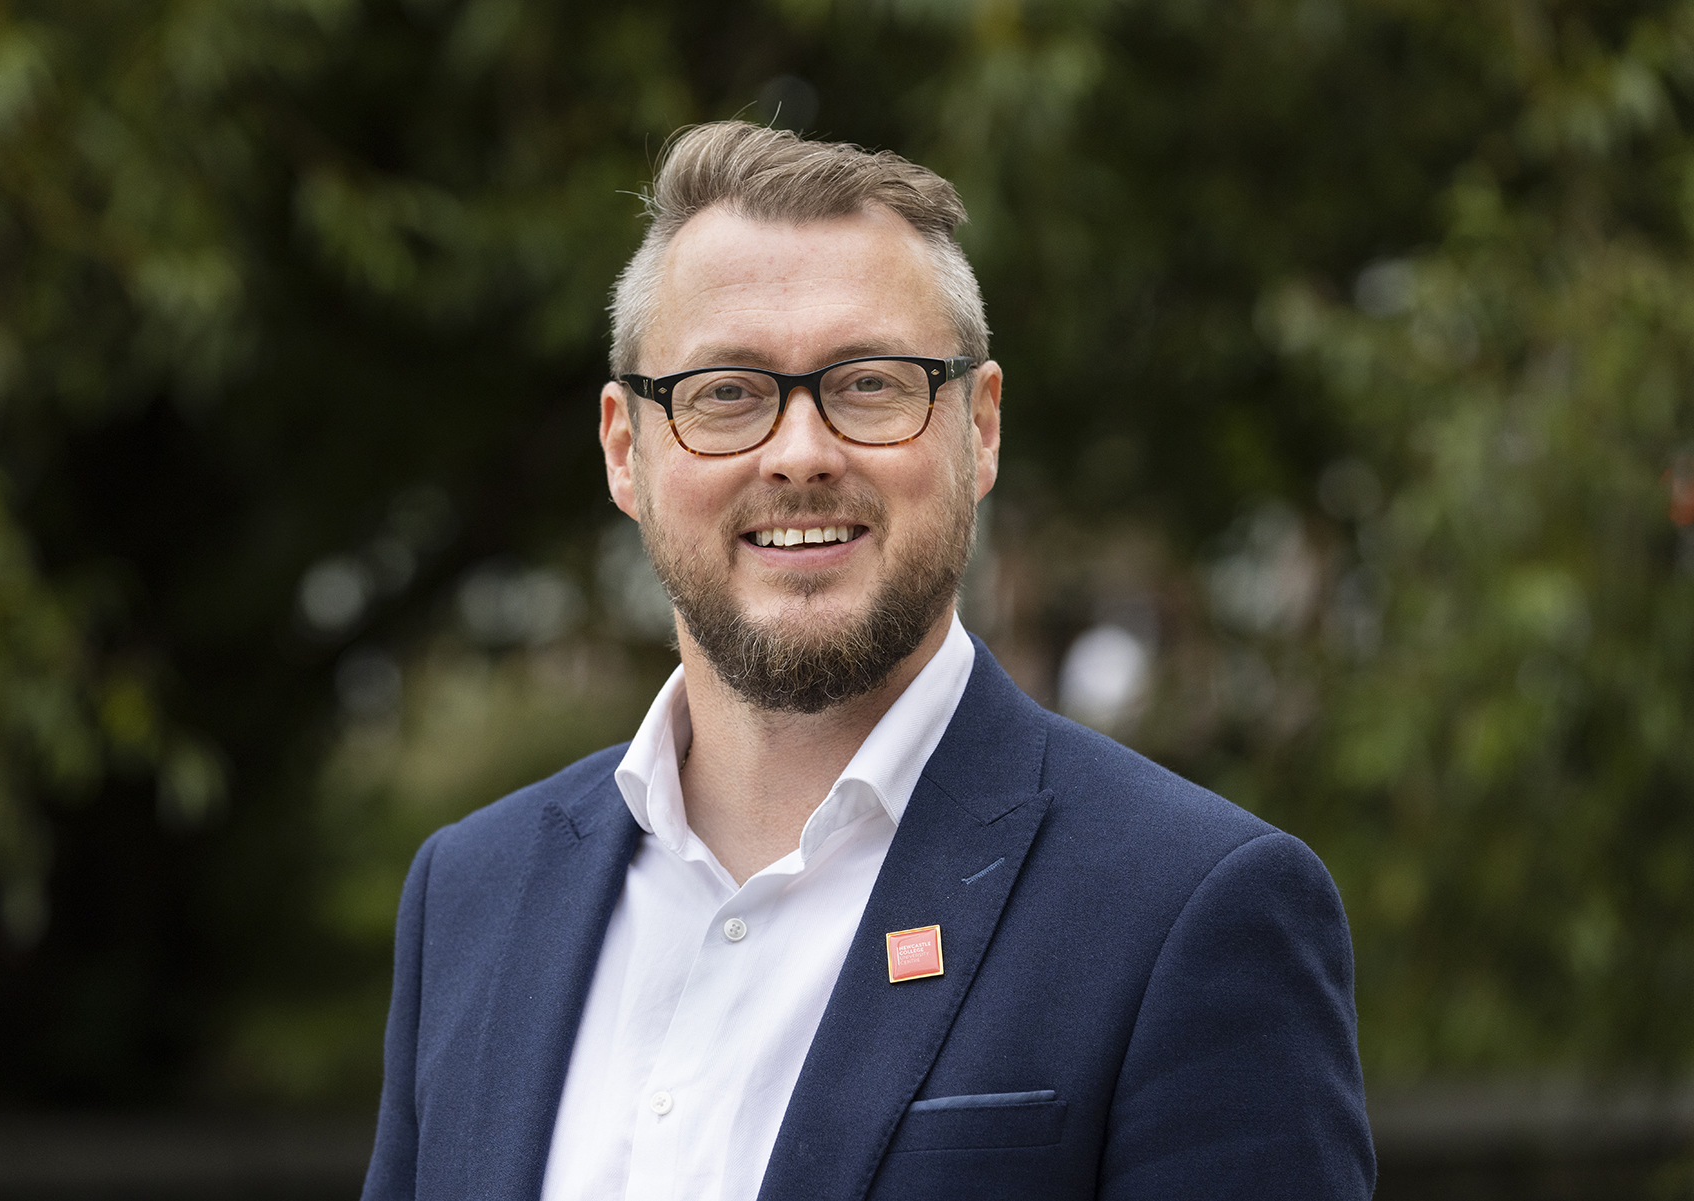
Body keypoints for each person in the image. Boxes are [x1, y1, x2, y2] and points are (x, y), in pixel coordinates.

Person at [361, 121, 1375, 1201]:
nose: (800, 453)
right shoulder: (470, 894)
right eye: (727, 392)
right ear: (625, 449)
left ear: (979, 428)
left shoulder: (1191, 908)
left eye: (870, 384)